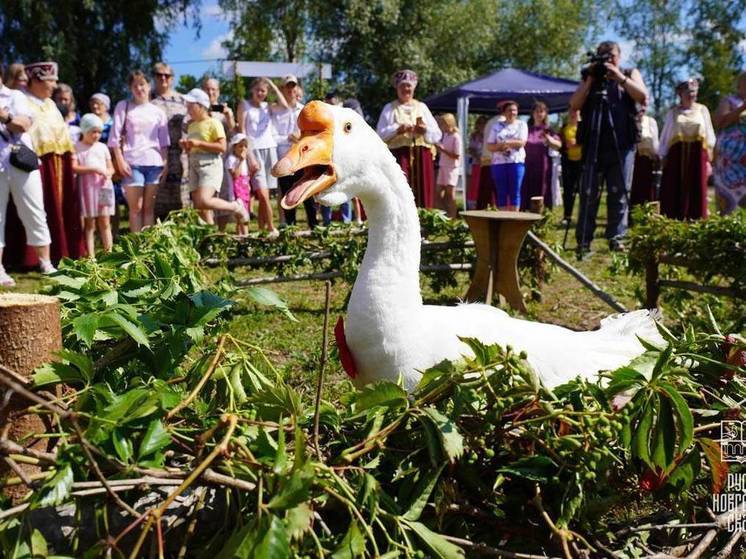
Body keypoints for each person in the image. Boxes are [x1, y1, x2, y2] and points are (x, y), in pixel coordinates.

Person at [569, 40, 647, 252]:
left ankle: (617, 238)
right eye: (602, 55)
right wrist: (591, 78)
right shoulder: (589, 77)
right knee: (588, 191)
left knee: (619, 190)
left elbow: (642, 96)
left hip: (622, 144)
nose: (607, 59)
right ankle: (583, 240)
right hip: (594, 142)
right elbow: (574, 105)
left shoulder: (629, 73)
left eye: (611, 55)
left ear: (619, 57)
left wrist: (620, 78)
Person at [4, 61, 84, 268]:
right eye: (50, 81)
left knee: (50, 209)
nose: (54, 86)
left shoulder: (50, 104)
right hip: (33, 162)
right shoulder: (23, 100)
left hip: (59, 163)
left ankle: (58, 253)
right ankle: (27, 257)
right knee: (32, 209)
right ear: (37, 81)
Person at [0, 66, 55, 286]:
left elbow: (24, 124)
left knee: (35, 211)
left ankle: (46, 263)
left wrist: (3, 114)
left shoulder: (16, 96)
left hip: (21, 161)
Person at [108, 70, 170, 233]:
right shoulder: (124, 107)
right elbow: (114, 138)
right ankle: (136, 248)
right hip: (132, 163)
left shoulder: (158, 112)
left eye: (142, 84)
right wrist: (120, 160)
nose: (139, 88)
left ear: (149, 86)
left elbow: (164, 142)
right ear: (130, 88)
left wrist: (165, 164)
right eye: (135, 85)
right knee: (136, 208)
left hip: (154, 164)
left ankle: (148, 248)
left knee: (149, 209)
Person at [180, 88, 247, 225]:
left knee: (205, 200)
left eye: (190, 106)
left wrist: (198, 143)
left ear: (200, 106)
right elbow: (194, 147)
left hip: (209, 164)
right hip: (194, 165)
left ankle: (235, 207)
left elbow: (222, 147)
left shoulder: (214, 123)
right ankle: (209, 237)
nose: (188, 109)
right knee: (199, 206)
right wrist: (187, 146)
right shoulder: (192, 126)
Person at [376, 69, 441, 208]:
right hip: (399, 156)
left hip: (422, 156)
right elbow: (380, 134)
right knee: (400, 189)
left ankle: (424, 220)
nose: (406, 89)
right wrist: (397, 129)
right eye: (402, 86)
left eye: (409, 86)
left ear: (414, 88)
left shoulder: (422, 107)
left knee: (422, 189)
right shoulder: (390, 108)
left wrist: (424, 130)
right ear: (397, 88)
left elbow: (437, 135)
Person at [237, 77, 288, 237]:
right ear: (252, 90)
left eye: (263, 91)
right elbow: (242, 133)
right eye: (258, 90)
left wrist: (272, 85)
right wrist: (250, 156)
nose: (260, 93)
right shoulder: (244, 105)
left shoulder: (268, 106)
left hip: (270, 150)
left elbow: (285, 106)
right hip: (255, 152)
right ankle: (272, 228)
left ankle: (261, 230)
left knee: (264, 194)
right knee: (263, 194)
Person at [659, 78, 716, 220]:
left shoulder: (702, 110)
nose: (692, 94)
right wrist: (662, 156)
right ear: (680, 93)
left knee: (697, 188)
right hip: (676, 157)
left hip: (697, 157)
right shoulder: (673, 113)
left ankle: (696, 221)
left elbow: (709, 134)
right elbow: (666, 136)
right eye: (688, 91)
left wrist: (709, 157)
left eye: (694, 92)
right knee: (674, 188)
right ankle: (673, 221)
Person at [271, 75, 317, 228]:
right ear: (283, 89)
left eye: (293, 86)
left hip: (302, 157)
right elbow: (272, 135)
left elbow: (311, 133)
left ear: (297, 88)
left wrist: (301, 138)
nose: (291, 90)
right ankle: (291, 226)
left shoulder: (304, 109)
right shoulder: (276, 111)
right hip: (284, 157)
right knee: (287, 192)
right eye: (288, 87)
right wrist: (287, 138)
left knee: (306, 190)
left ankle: (313, 224)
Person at [151, 62, 189, 220]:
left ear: (172, 78)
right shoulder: (148, 100)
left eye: (167, 75)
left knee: (182, 199)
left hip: (181, 156)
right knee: (157, 198)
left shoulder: (183, 101)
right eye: (159, 75)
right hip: (157, 155)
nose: (163, 78)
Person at [73, 114, 114, 256]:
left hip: (103, 187)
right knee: (90, 223)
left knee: (105, 220)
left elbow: (111, 167)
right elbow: (74, 167)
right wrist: (93, 169)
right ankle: (91, 255)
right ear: (84, 131)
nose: (96, 135)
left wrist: (108, 174)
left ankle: (109, 252)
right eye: (93, 132)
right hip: (88, 189)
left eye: (99, 132)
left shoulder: (102, 147)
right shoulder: (77, 147)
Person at [202, 77, 240, 230]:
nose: (210, 92)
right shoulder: (198, 109)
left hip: (221, 162)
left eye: (213, 89)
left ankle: (221, 233)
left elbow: (235, 135)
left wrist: (229, 118)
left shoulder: (223, 113)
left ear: (218, 92)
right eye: (207, 89)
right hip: (203, 161)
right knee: (205, 198)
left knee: (223, 196)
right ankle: (210, 232)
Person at [713, 71, 746, 215]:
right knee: (730, 205)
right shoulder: (729, 100)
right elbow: (720, 122)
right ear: (739, 85)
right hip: (730, 161)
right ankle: (728, 233)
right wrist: (743, 108)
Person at [485, 100, 528, 211]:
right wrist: (501, 146)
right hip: (499, 164)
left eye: (514, 110)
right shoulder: (496, 126)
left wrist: (504, 143)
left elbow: (521, 142)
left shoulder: (522, 125)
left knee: (515, 191)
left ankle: (513, 219)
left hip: (516, 162)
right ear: (504, 112)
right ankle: (503, 219)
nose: (512, 112)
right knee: (501, 192)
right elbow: (489, 146)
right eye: (509, 110)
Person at [522, 101, 562, 210]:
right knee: (526, 189)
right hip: (527, 165)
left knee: (542, 189)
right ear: (532, 113)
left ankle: (542, 215)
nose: (539, 114)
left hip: (543, 166)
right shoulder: (526, 129)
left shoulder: (548, 130)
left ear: (545, 114)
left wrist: (550, 140)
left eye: (542, 111)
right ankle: (525, 214)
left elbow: (559, 145)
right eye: (537, 111)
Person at [629, 98, 660, 208]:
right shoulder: (630, 120)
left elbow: (655, 143)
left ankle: (648, 214)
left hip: (647, 162)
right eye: (640, 105)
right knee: (633, 188)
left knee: (647, 189)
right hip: (632, 161)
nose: (642, 108)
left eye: (644, 106)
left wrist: (657, 157)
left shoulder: (651, 122)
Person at [225, 133, 253, 236]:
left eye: (245, 146)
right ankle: (245, 237)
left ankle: (241, 237)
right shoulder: (231, 159)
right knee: (242, 217)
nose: (243, 149)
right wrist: (241, 161)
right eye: (240, 146)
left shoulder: (244, 160)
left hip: (245, 192)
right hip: (236, 194)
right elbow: (235, 176)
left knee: (242, 218)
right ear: (234, 147)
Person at [435, 113, 461, 218]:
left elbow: (456, 155)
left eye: (443, 124)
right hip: (443, 166)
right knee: (438, 192)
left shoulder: (456, 137)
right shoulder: (445, 135)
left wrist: (443, 150)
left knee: (450, 194)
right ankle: (443, 214)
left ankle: (453, 216)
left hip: (451, 168)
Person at [560, 109, 582, 223]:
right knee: (568, 190)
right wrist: (565, 145)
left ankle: (583, 217)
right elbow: (560, 144)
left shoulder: (583, 126)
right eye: (571, 112)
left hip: (582, 162)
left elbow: (589, 140)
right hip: (568, 162)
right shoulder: (564, 127)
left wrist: (577, 142)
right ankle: (567, 216)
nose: (573, 114)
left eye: (575, 112)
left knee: (583, 190)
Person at [467, 115, 487, 210]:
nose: (481, 125)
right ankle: (473, 205)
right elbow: (470, 149)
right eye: (480, 123)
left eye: (483, 123)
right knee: (475, 184)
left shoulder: (489, 135)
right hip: (476, 163)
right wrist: (477, 156)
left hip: (487, 163)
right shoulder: (474, 136)